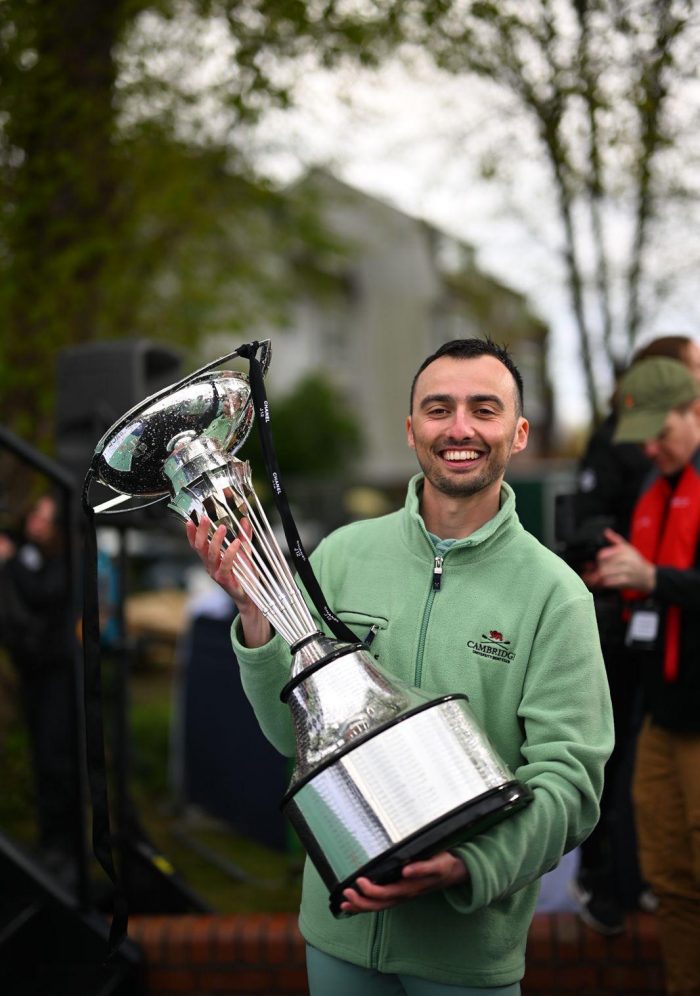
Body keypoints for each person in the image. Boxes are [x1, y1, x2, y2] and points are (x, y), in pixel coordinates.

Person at [187, 338, 614, 994]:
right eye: (439, 409)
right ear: (412, 429)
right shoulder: (342, 556)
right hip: (339, 941)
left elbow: (570, 785)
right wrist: (254, 613)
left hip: (464, 957)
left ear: (520, 433)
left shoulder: (555, 596)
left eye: (484, 409)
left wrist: (468, 863)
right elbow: (292, 740)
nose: (460, 428)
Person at [567, 335, 700, 934]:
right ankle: (613, 881)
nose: (649, 449)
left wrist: (653, 577)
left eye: (659, 434)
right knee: (670, 874)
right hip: (657, 696)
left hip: (686, 698)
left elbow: (665, 573)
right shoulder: (654, 480)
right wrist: (616, 571)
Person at [0, 493, 81, 885]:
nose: (38, 523)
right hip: (33, 672)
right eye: (36, 514)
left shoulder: (60, 561)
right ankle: (53, 843)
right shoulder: (26, 554)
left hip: (58, 674)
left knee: (57, 759)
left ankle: (65, 846)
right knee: (44, 759)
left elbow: (43, 592)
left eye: (47, 518)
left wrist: (10, 561)